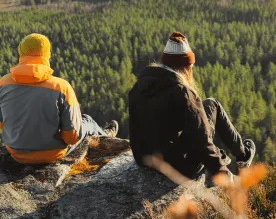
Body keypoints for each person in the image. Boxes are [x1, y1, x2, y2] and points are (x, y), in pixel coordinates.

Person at [129, 31, 256, 178]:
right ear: (186, 67)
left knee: (206, 107)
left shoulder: (139, 86)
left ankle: (240, 155)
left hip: (143, 159)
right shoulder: (183, 93)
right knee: (212, 105)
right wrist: (224, 175)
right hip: (178, 167)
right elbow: (203, 144)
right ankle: (243, 156)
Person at [0, 33, 118, 165]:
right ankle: (105, 136)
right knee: (87, 121)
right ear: (46, 54)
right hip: (52, 154)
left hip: (16, 153)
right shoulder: (61, 87)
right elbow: (72, 137)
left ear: (21, 54)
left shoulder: (2, 83)